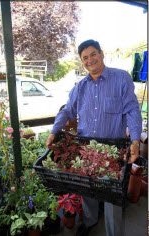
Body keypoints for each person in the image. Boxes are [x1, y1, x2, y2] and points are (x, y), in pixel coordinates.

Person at [46, 39, 142, 236]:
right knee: (87, 190)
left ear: (101, 53)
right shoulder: (79, 87)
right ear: (82, 62)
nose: (90, 60)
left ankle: (113, 232)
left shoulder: (121, 78)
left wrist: (134, 140)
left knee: (111, 196)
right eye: (85, 58)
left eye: (93, 54)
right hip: (85, 149)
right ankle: (89, 221)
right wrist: (54, 131)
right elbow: (67, 111)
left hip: (113, 151)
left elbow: (132, 109)